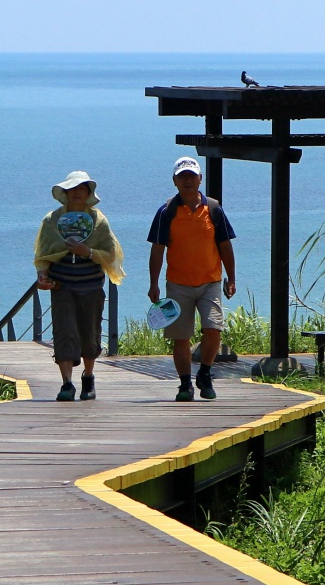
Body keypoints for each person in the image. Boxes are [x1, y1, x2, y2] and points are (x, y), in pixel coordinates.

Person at [146, 157, 236, 402]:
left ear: (200, 179)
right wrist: (153, 283)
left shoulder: (214, 209)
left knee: (213, 329)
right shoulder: (166, 211)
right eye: (182, 176)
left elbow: (225, 245)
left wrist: (231, 278)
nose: (187, 180)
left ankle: (205, 374)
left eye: (191, 175)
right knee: (180, 336)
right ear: (175, 181)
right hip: (178, 284)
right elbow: (157, 249)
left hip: (210, 282)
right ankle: (185, 384)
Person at [34, 172, 125, 402]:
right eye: (72, 188)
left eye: (82, 188)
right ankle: (66, 383)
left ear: (88, 193)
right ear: (64, 193)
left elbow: (110, 253)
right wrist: (42, 274)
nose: (77, 192)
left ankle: (89, 378)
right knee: (64, 332)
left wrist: (89, 252)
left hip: (91, 286)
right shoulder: (52, 220)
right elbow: (43, 253)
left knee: (90, 335)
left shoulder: (98, 220)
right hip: (61, 286)